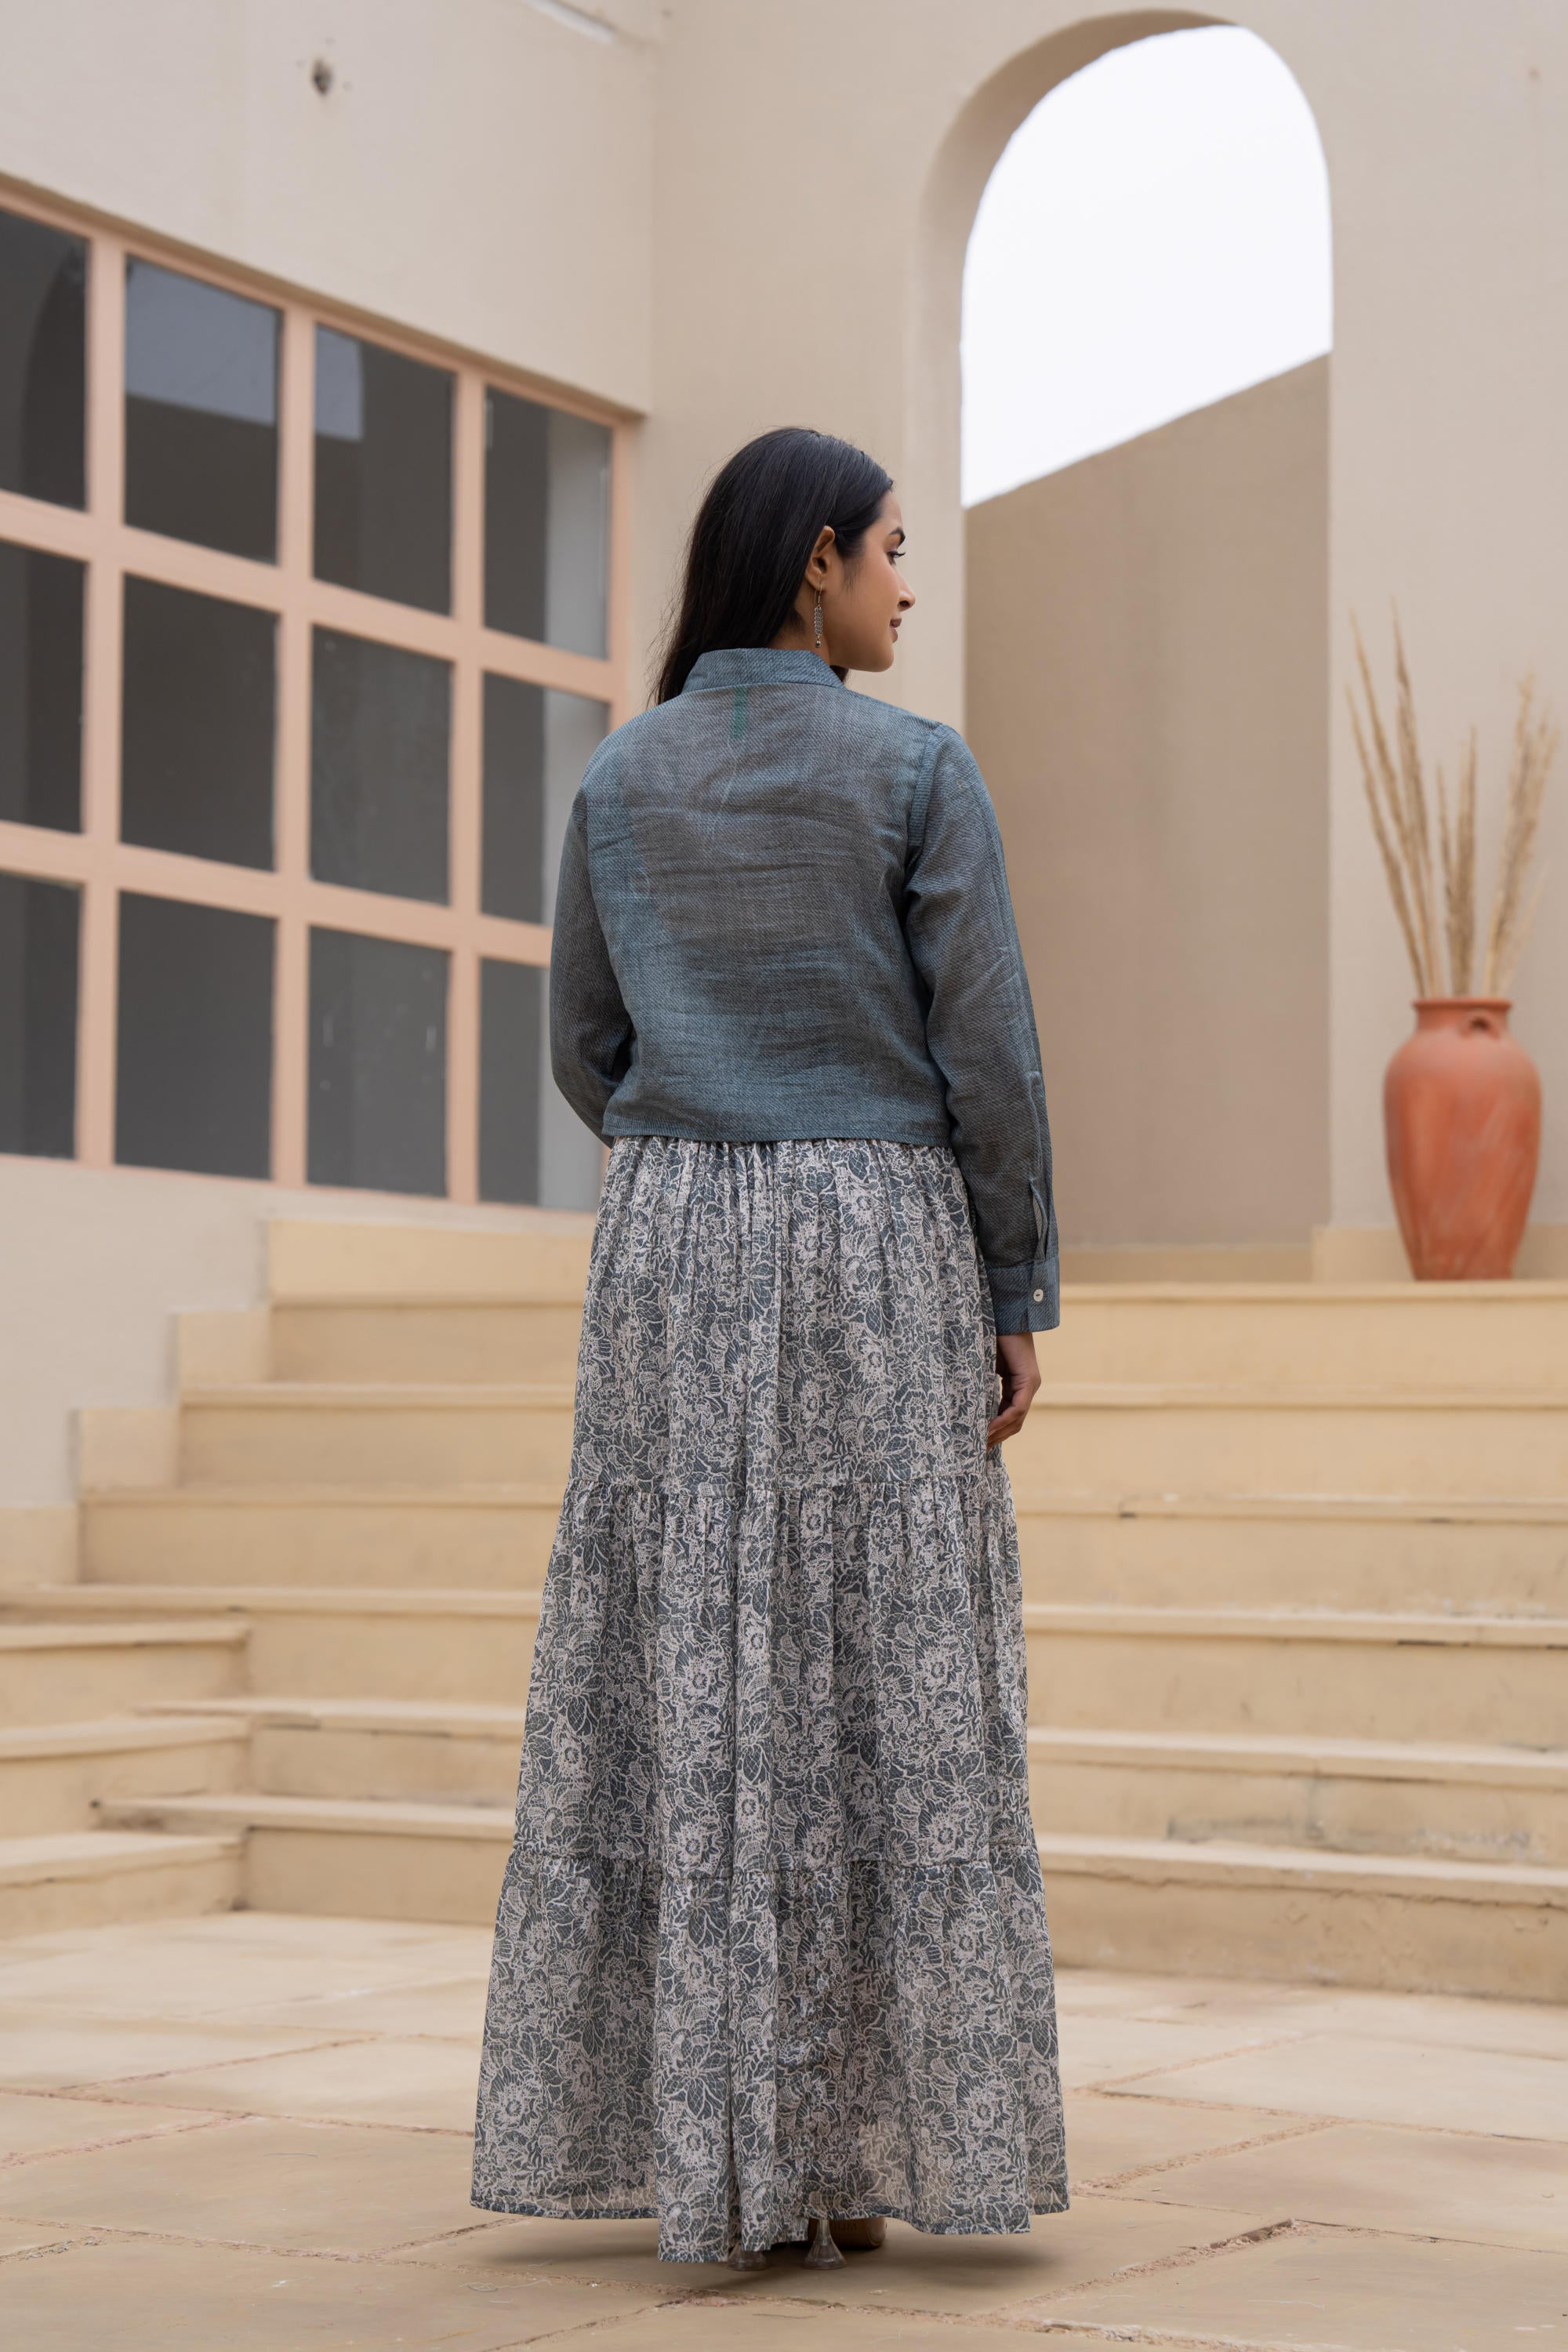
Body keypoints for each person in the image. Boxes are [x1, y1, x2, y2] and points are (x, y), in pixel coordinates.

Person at [472, 426, 1068, 2270]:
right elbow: (989, 1060)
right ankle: (842, 2149)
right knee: (876, 1680)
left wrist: (694, 1133)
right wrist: (1015, 1288)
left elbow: (584, 1038)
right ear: (813, 561)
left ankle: (718, 2144)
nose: (907, 580)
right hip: (878, 1234)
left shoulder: (622, 774)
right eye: (891, 548)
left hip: (670, 1239)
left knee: (696, 1673)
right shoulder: (911, 769)